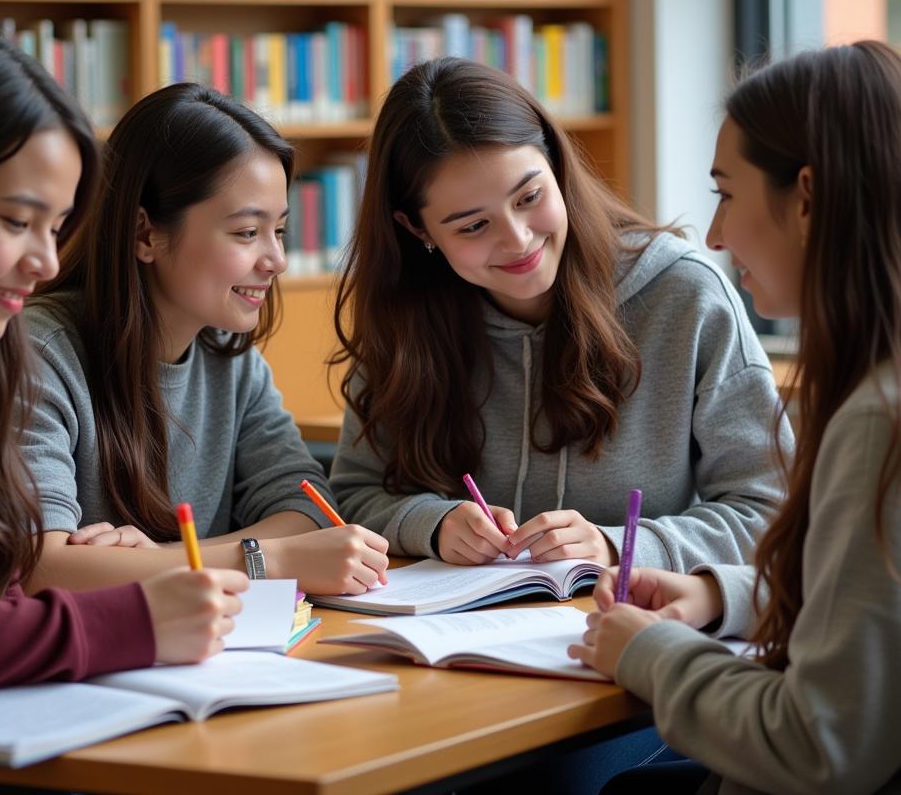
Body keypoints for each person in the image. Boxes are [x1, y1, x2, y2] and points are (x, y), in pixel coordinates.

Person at [571, 40, 901, 795]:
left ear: (809, 198)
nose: (714, 237)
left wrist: (649, 653)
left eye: (726, 192)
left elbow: (820, 745)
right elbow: (877, 615)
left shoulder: (880, 421)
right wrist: (724, 594)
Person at [0, 26, 245, 696]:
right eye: (18, 222)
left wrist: (117, 567)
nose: (46, 262)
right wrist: (131, 617)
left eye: (57, 228)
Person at [330, 57, 787, 573]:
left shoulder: (686, 297)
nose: (518, 239)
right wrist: (431, 524)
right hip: (452, 639)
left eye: (529, 197)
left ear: (557, 166)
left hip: (629, 629)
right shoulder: (404, 317)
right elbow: (351, 495)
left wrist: (620, 547)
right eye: (473, 227)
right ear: (418, 231)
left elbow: (771, 510)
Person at [20, 82, 389, 597]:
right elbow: (40, 567)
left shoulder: (231, 358)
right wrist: (270, 559)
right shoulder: (38, 353)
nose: (276, 260)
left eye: (278, 231)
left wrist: (158, 560)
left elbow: (307, 509)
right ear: (145, 234)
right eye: (245, 233)